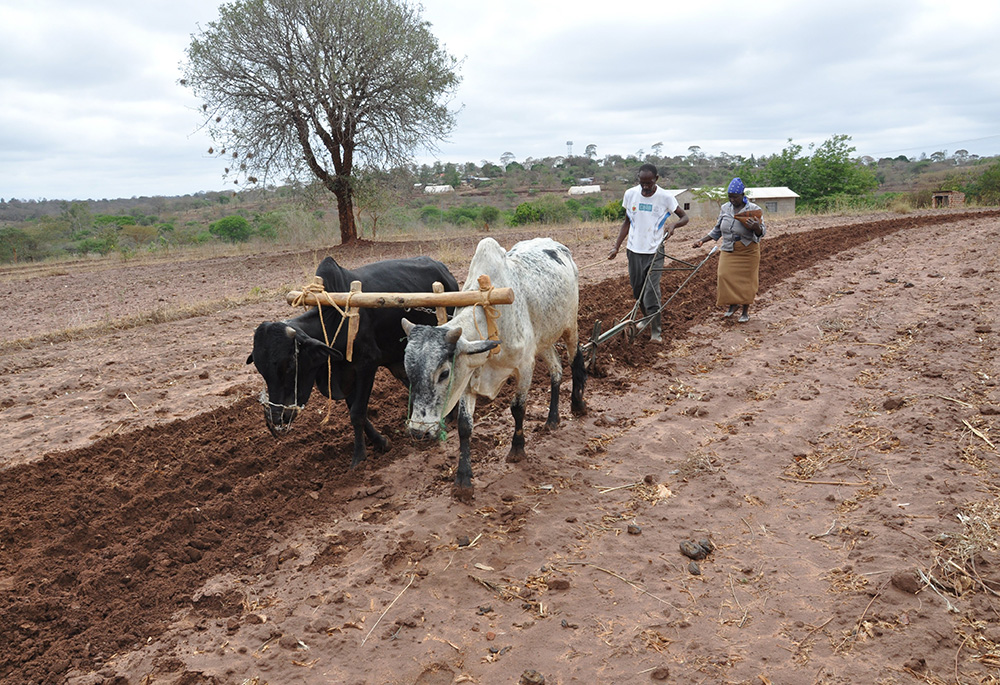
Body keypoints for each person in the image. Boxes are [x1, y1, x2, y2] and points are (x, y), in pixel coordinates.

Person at [607, 163, 689, 342]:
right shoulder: (630, 194)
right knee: (638, 292)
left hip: (654, 252)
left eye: (649, 183)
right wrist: (616, 246)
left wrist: (673, 225)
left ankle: (656, 332)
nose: (645, 186)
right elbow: (627, 223)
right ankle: (646, 319)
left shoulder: (665, 197)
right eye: (642, 182)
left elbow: (685, 217)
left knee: (651, 293)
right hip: (633, 251)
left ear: (656, 180)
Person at [692, 177, 765, 323]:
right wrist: (702, 241)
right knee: (724, 275)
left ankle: (745, 311)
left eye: (735, 197)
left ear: (742, 195)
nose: (732, 200)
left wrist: (756, 227)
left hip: (747, 250)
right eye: (730, 197)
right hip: (729, 248)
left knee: (746, 281)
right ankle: (732, 305)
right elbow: (717, 230)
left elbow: (761, 233)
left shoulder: (754, 209)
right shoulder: (725, 208)